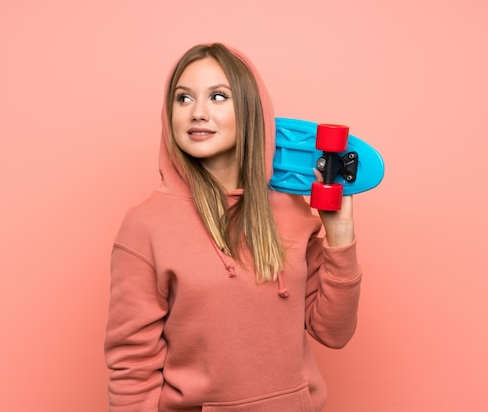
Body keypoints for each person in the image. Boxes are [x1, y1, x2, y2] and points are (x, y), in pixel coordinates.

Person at [104, 42, 362, 412]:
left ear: (249, 111)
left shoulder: (289, 208)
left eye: (218, 96)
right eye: (183, 99)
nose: (198, 113)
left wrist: (340, 235)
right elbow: (132, 367)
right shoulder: (145, 225)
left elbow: (333, 332)